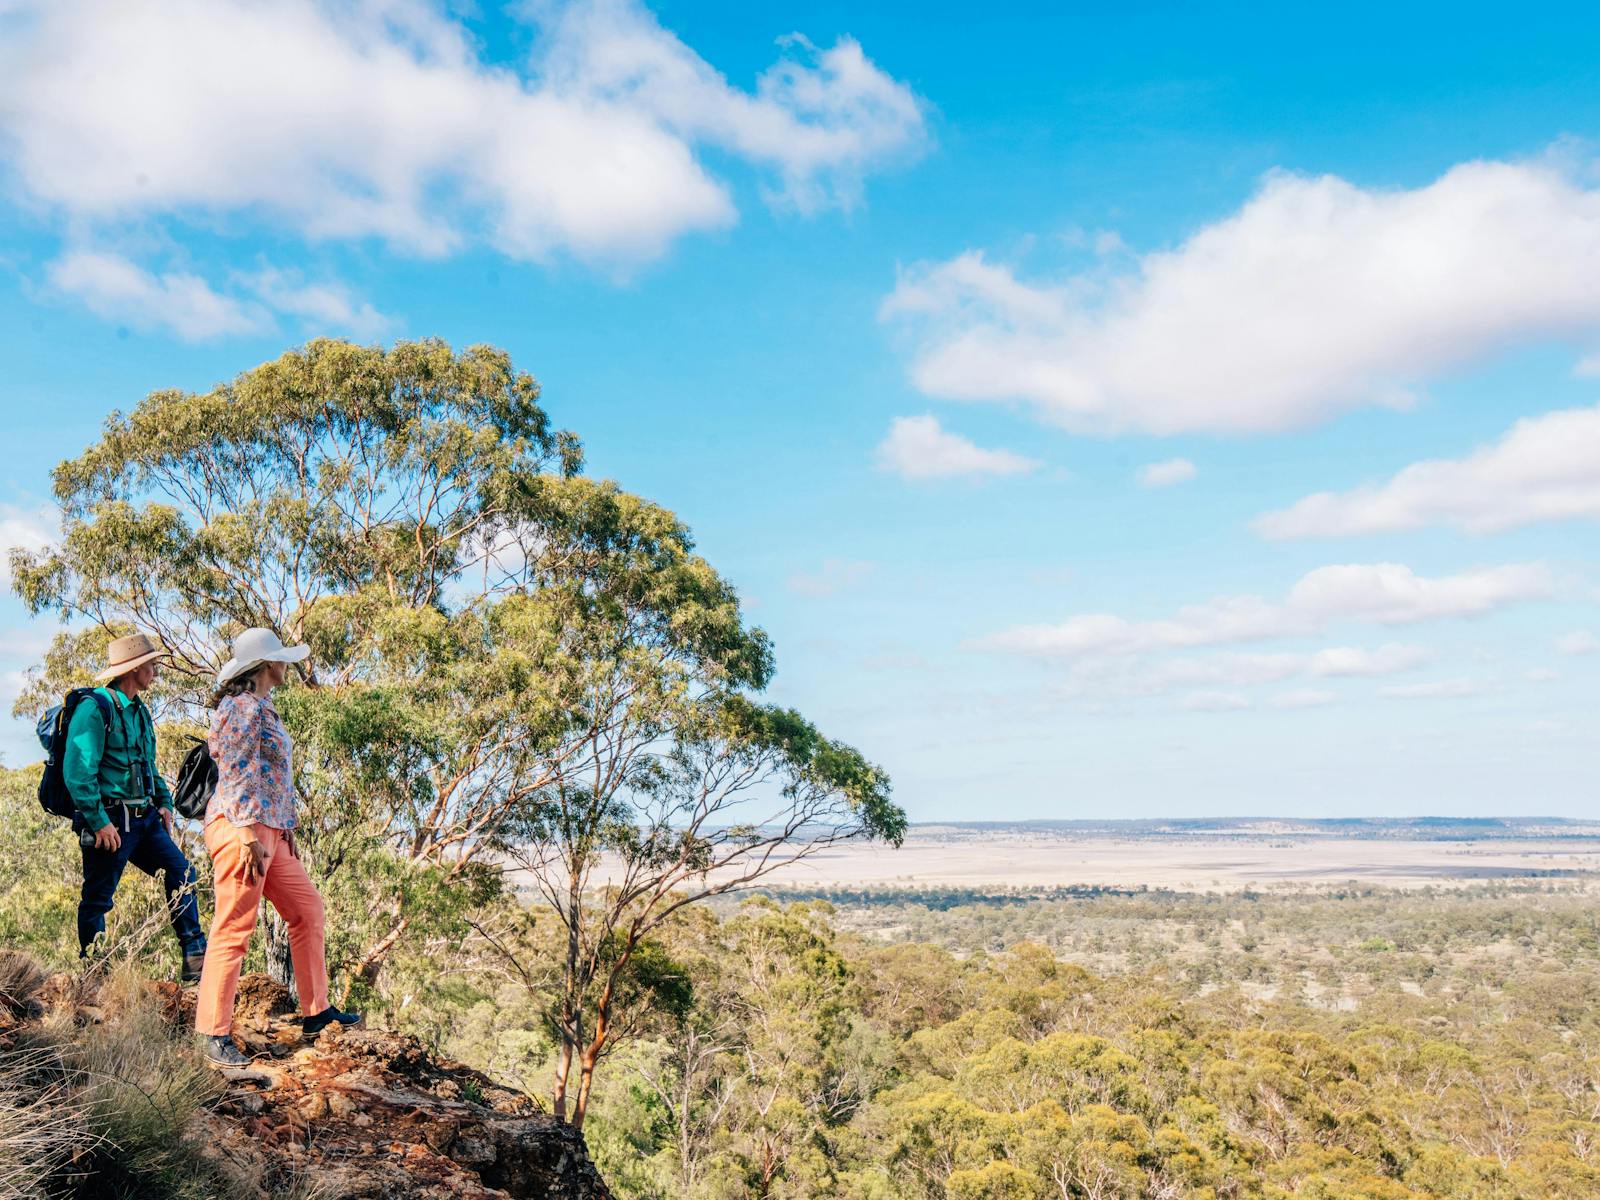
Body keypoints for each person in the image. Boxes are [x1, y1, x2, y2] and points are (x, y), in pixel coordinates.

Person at [194, 627, 360, 1067]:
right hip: (242, 831)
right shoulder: (240, 707)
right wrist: (249, 833)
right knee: (233, 927)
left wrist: (286, 833)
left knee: (307, 910)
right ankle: (212, 1032)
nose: (288, 664)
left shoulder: (264, 706)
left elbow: (273, 780)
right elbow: (235, 770)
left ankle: (317, 1013)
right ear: (268, 665)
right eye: (283, 658)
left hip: (271, 832)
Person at [65, 632, 207, 981]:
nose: (155, 671)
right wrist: (98, 822)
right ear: (134, 668)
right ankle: (94, 973)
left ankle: (195, 960)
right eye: (151, 664)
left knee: (183, 872)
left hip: (144, 821)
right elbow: (77, 771)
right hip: (110, 821)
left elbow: (148, 764)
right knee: (98, 898)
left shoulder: (140, 712)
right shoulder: (94, 709)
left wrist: (164, 803)